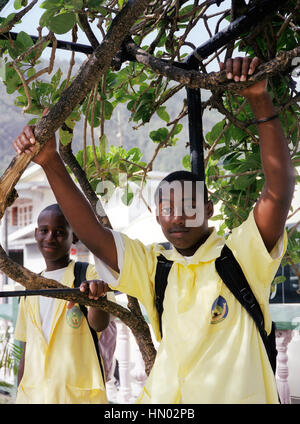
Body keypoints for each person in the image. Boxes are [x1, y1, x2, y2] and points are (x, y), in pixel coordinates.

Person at [13, 57, 295, 403]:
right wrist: (52, 162)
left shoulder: (241, 255)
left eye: (187, 208)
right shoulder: (156, 267)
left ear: (208, 210)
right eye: (165, 209)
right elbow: (94, 236)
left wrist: (259, 99)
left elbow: (277, 193)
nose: (176, 218)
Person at [14, 203, 113, 404]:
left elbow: (99, 324)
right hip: (33, 397)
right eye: (44, 231)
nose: (50, 237)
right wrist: (19, 395)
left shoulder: (89, 276)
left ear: (74, 236)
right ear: (36, 234)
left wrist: (96, 297)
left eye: (59, 232)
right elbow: (26, 351)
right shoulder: (30, 286)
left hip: (76, 398)